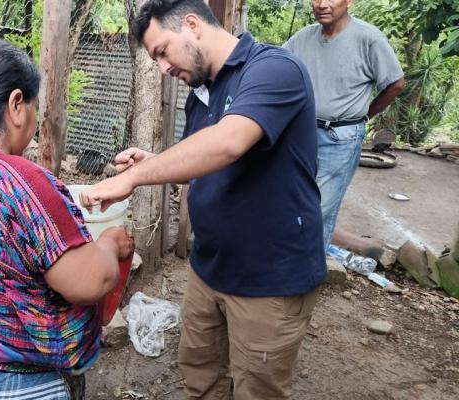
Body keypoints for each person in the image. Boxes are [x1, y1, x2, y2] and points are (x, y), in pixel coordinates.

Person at [80, 1, 325, 398]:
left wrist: (133, 178)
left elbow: (228, 143)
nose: (164, 68)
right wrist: (153, 161)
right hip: (210, 267)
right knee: (200, 375)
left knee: (257, 389)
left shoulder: (274, 69)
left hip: (269, 276)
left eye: (162, 51)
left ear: (192, 25)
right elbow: (203, 161)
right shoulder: (201, 94)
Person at [0, 39, 133, 400]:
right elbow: (92, 282)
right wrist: (110, 243)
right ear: (17, 105)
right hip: (4, 384)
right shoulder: (25, 181)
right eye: (35, 107)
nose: (35, 117)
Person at [284, 0, 405, 249]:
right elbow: (276, 65)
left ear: (349, 1)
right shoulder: (303, 38)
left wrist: (364, 115)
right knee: (295, 202)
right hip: (303, 133)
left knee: (317, 210)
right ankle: (309, 263)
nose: (322, 4)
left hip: (341, 137)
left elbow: (395, 83)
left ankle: (302, 265)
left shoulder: (368, 38)